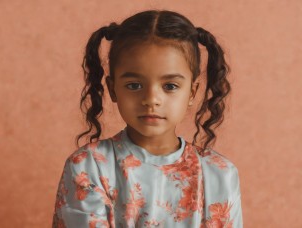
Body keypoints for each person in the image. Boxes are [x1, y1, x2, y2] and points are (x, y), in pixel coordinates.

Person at [52, 9, 243, 228]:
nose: (151, 99)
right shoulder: (89, 167)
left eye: (170, 86)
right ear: (113, 89)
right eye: (134, 85)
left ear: (192, 92)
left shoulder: (218, 174)